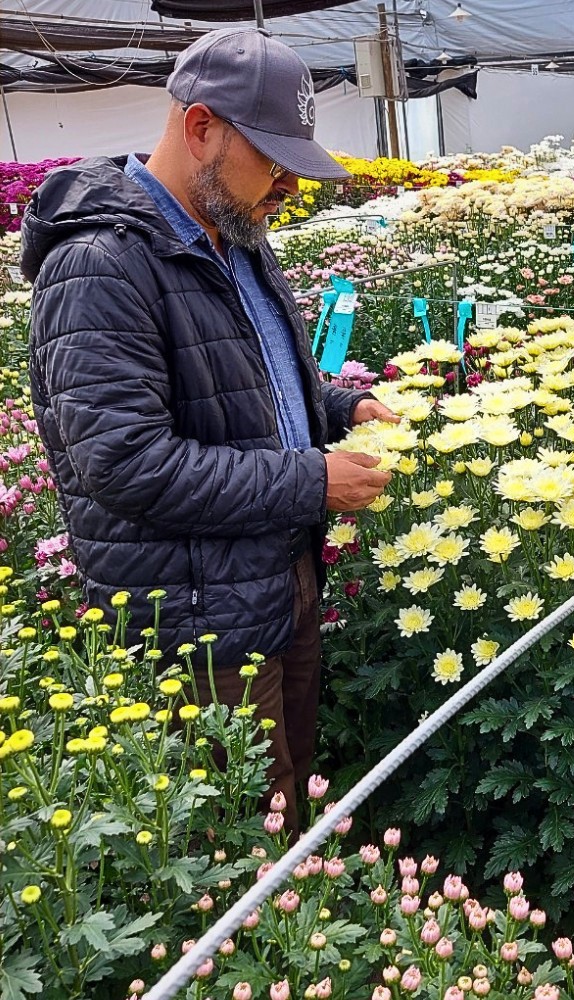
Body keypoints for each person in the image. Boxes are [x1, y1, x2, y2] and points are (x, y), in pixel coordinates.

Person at [21, 27, 396, 835]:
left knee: (289, 807)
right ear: (200, 130)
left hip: (272, 580)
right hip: (196, 624)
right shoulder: (99, 264)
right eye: (272, 158)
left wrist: (335, 408)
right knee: (240, 848)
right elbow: (123, 462)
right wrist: (310, 480)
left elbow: (247, 376)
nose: (289, 184)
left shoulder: (236, 237)